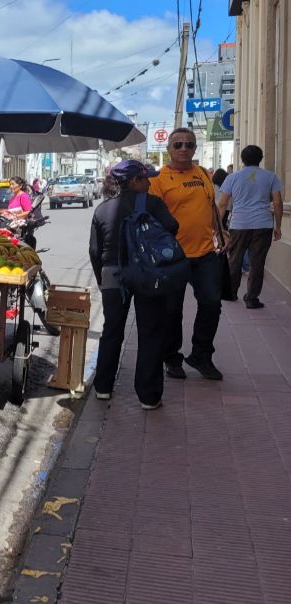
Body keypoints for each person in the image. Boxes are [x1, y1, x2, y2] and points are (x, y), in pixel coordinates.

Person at [89, 161, 179, 408]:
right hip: (148, 275)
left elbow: (95, 251)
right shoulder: (153, 203)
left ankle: (104, 388)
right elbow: (173, 227)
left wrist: (101, 279)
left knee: (112, 331)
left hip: (112, 275)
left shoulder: (102, 209)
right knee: (150, 332)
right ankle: (149, 397)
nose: (150, 183)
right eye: (146, 179)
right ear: (134, 181)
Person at [149, 127, 227, 381]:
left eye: (189, 145)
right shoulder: (158, 179)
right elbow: (151, 219)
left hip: (205, 252)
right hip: (173, 256)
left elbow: (210, 206)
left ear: (195, 149)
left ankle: (202, 355)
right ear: (169, 149)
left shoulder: (203, 173)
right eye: (178, 145)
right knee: (172, 310)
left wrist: (221, 230)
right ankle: (172, 359)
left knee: (212, 303)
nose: (184, 149)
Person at [219, 145, 284, 309]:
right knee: (257, 263)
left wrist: (219, 226)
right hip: (263, 224)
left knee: (234, 260)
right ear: (261, 158)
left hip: (239, 224)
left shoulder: (232, 177)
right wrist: (278, 225)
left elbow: (222, 203)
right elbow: (277, 203)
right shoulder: (271, 177)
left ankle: (231, 293)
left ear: (242, 159)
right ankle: (252, 298)